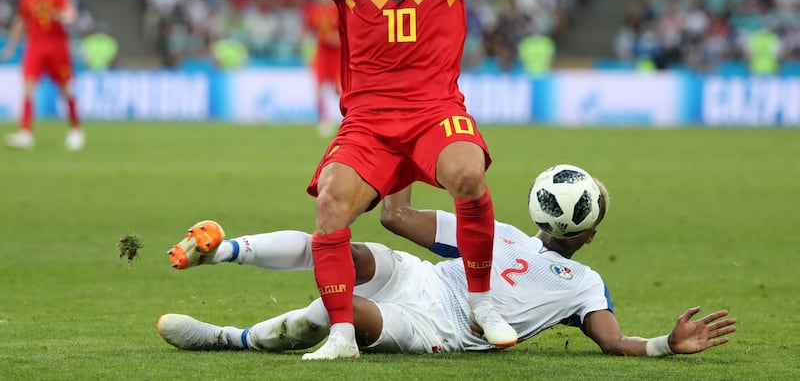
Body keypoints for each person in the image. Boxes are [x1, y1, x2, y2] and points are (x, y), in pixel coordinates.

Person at [136, 0, 669, 360]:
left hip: (434, 109)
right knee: (331, 207)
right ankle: (341, 335)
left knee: (467, 173)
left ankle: (482, 302)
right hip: (368, 118)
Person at [157, 170, 736, 357]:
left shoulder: (586, 285)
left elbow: (612, 342)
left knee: (339, 311)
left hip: (443, 329)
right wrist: (406, 151)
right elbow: (395, 218)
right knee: (342, 249)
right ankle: (224, 249)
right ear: (588, 230)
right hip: (422, 278)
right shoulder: (495, 231)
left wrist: (663, 344)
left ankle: (228, 339)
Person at [2, 0, 85, 151]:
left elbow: (71, 12)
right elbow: (20, 21)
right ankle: (26, 133)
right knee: (28, 88)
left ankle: (75, 130)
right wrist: (11, 47)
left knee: (66, 90)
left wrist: (65, 16)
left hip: (57, 47)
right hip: (36, 46)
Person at [303, 0, 341, 136]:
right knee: (318, 87)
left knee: (338, 90)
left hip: (338, 55)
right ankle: (323, 120)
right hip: (321, 54)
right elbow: (307, 31)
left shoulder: (338, 9)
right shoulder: (312, 10)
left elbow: (346, 33)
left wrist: (335, 38)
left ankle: (347, 119)